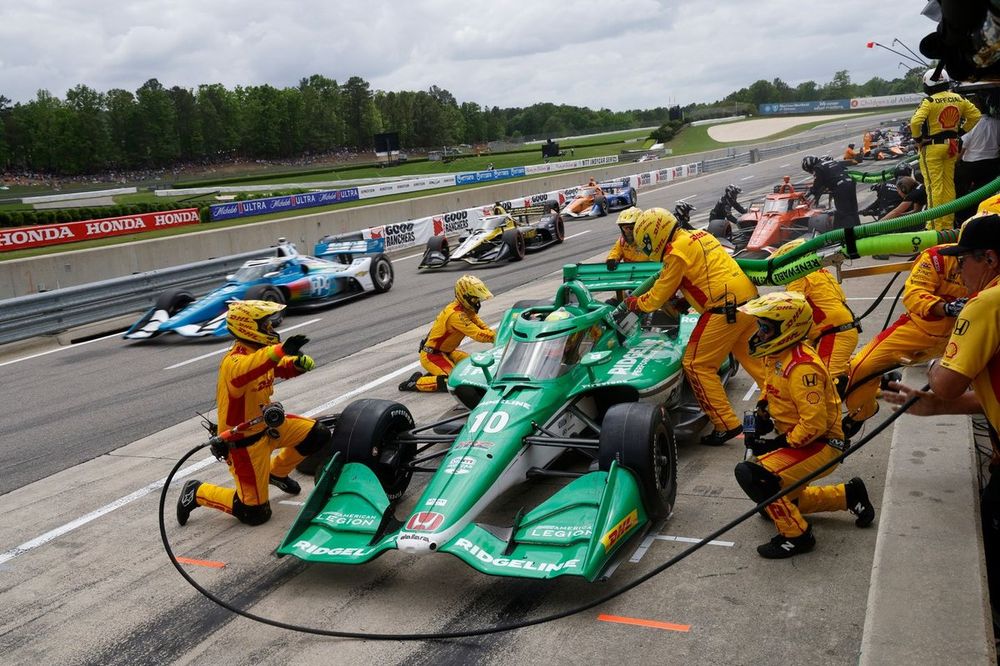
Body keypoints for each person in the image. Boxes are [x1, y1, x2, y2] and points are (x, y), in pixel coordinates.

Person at [734, 291, 875, 559]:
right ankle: (847, 495)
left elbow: (814, 425)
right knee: (774, 503)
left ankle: (797, 536)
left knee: (755, 476)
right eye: (760, 326)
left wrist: (775, 444)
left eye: (765, 327)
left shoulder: (802, 369)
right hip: (800, 438)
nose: (759, 333)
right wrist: (763, 411)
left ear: (788, 328)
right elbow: (770, 387)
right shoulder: (776, 354)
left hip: (821, 444)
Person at [176, 300, 331, 527]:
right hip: (244, 444)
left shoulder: (258, 352)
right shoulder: (235, 362)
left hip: (268, 426)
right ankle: (198, 491)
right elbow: (253, 366)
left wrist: (296, 364)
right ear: (248, 327)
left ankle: (276, 473)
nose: (271, 328)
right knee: (255, 513)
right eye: (265, 324)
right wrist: (279, 350)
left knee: (317, 433)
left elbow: (275, 366)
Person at [624, 207, 765, 445]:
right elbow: (707, 272)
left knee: (696, 364)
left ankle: (725, 424)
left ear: (653, 235)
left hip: (723, 309)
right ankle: (783, 408)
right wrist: (683, 300)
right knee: (757, 363)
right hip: (747, 302)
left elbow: (657, 295)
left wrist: (636, 303)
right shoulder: (700, 236)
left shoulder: (675, 252)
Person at [842, 240, 968, 437]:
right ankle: (861, 413)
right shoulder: (936, 258)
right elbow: (914, 294)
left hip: (967, 336)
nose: (967, 263)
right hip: (918, 330)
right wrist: (945, 308)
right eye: (966, 256)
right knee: (861, 366)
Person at [770, 239, 859, 396]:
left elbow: (793, 305)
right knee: (815, 369)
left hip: (833, 333)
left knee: (825, 385)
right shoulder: (819, 271)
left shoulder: (797, 273)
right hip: (835, 331)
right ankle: (870, 377)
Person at [910, 68, 981, 231]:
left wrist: (918, 139)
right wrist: (960, 132)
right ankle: (947, 225)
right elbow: (975, 115)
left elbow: (915, 122)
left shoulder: (929, 101)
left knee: (933, 186)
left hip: (932, 147)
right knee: (948, 185)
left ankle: (934, 226)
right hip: (952, 146)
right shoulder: (959, 98)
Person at [399, 275, 496, 392]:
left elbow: (483, 327)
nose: (477, 301)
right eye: (475, 298)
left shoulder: (467, 309)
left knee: (475, 368)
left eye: (478, 298)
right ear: (464, 296)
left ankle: (436, 372)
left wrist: (498, 335)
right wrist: (499, 337)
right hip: (432, 355)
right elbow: (478, 335)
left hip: (448, 352)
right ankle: (415, 383)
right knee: (454, 382)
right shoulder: (455, 315)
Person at [954, 94, 1000, 226]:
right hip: (992, 166)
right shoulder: (997, 123)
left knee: (960, 191)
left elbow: (960, 152)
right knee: (988, 193)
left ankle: (962, 217)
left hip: (971, 166)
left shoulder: (969, 125)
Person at [801, 155, 860, 229]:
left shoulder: (818, 167)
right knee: (853, 210)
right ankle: (859, 230)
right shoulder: (833, 162)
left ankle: (849, 235)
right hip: (851, 184)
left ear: (809, 166)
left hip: (840, 188)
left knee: (844, 213)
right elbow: (842, 172)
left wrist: (811, 193)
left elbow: (818, 184)